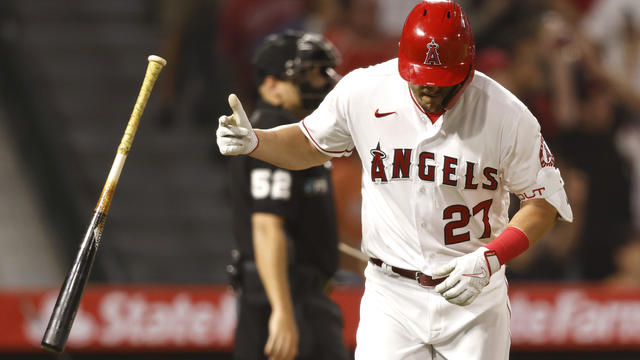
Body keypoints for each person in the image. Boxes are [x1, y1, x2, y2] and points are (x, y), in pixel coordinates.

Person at [217, 1, 573, 359]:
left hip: (473, 294)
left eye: (442, 81)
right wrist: (257, 142)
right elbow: (309, 143)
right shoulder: (365, 90)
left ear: (467, 66)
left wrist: (491, 258)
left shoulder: (506, 115)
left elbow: (542, 205)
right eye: (421, 78)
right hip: (392, 296)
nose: (429, 89)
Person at [226, 30, 349, 360]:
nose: (321, 82)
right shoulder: (272, 132)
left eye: (321, 72)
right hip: (284, 298)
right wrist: (282, 311)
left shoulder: (297, 135)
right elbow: (266, 225)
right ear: (271, 85)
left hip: (297, 294)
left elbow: (303, 229)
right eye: (306, 74)